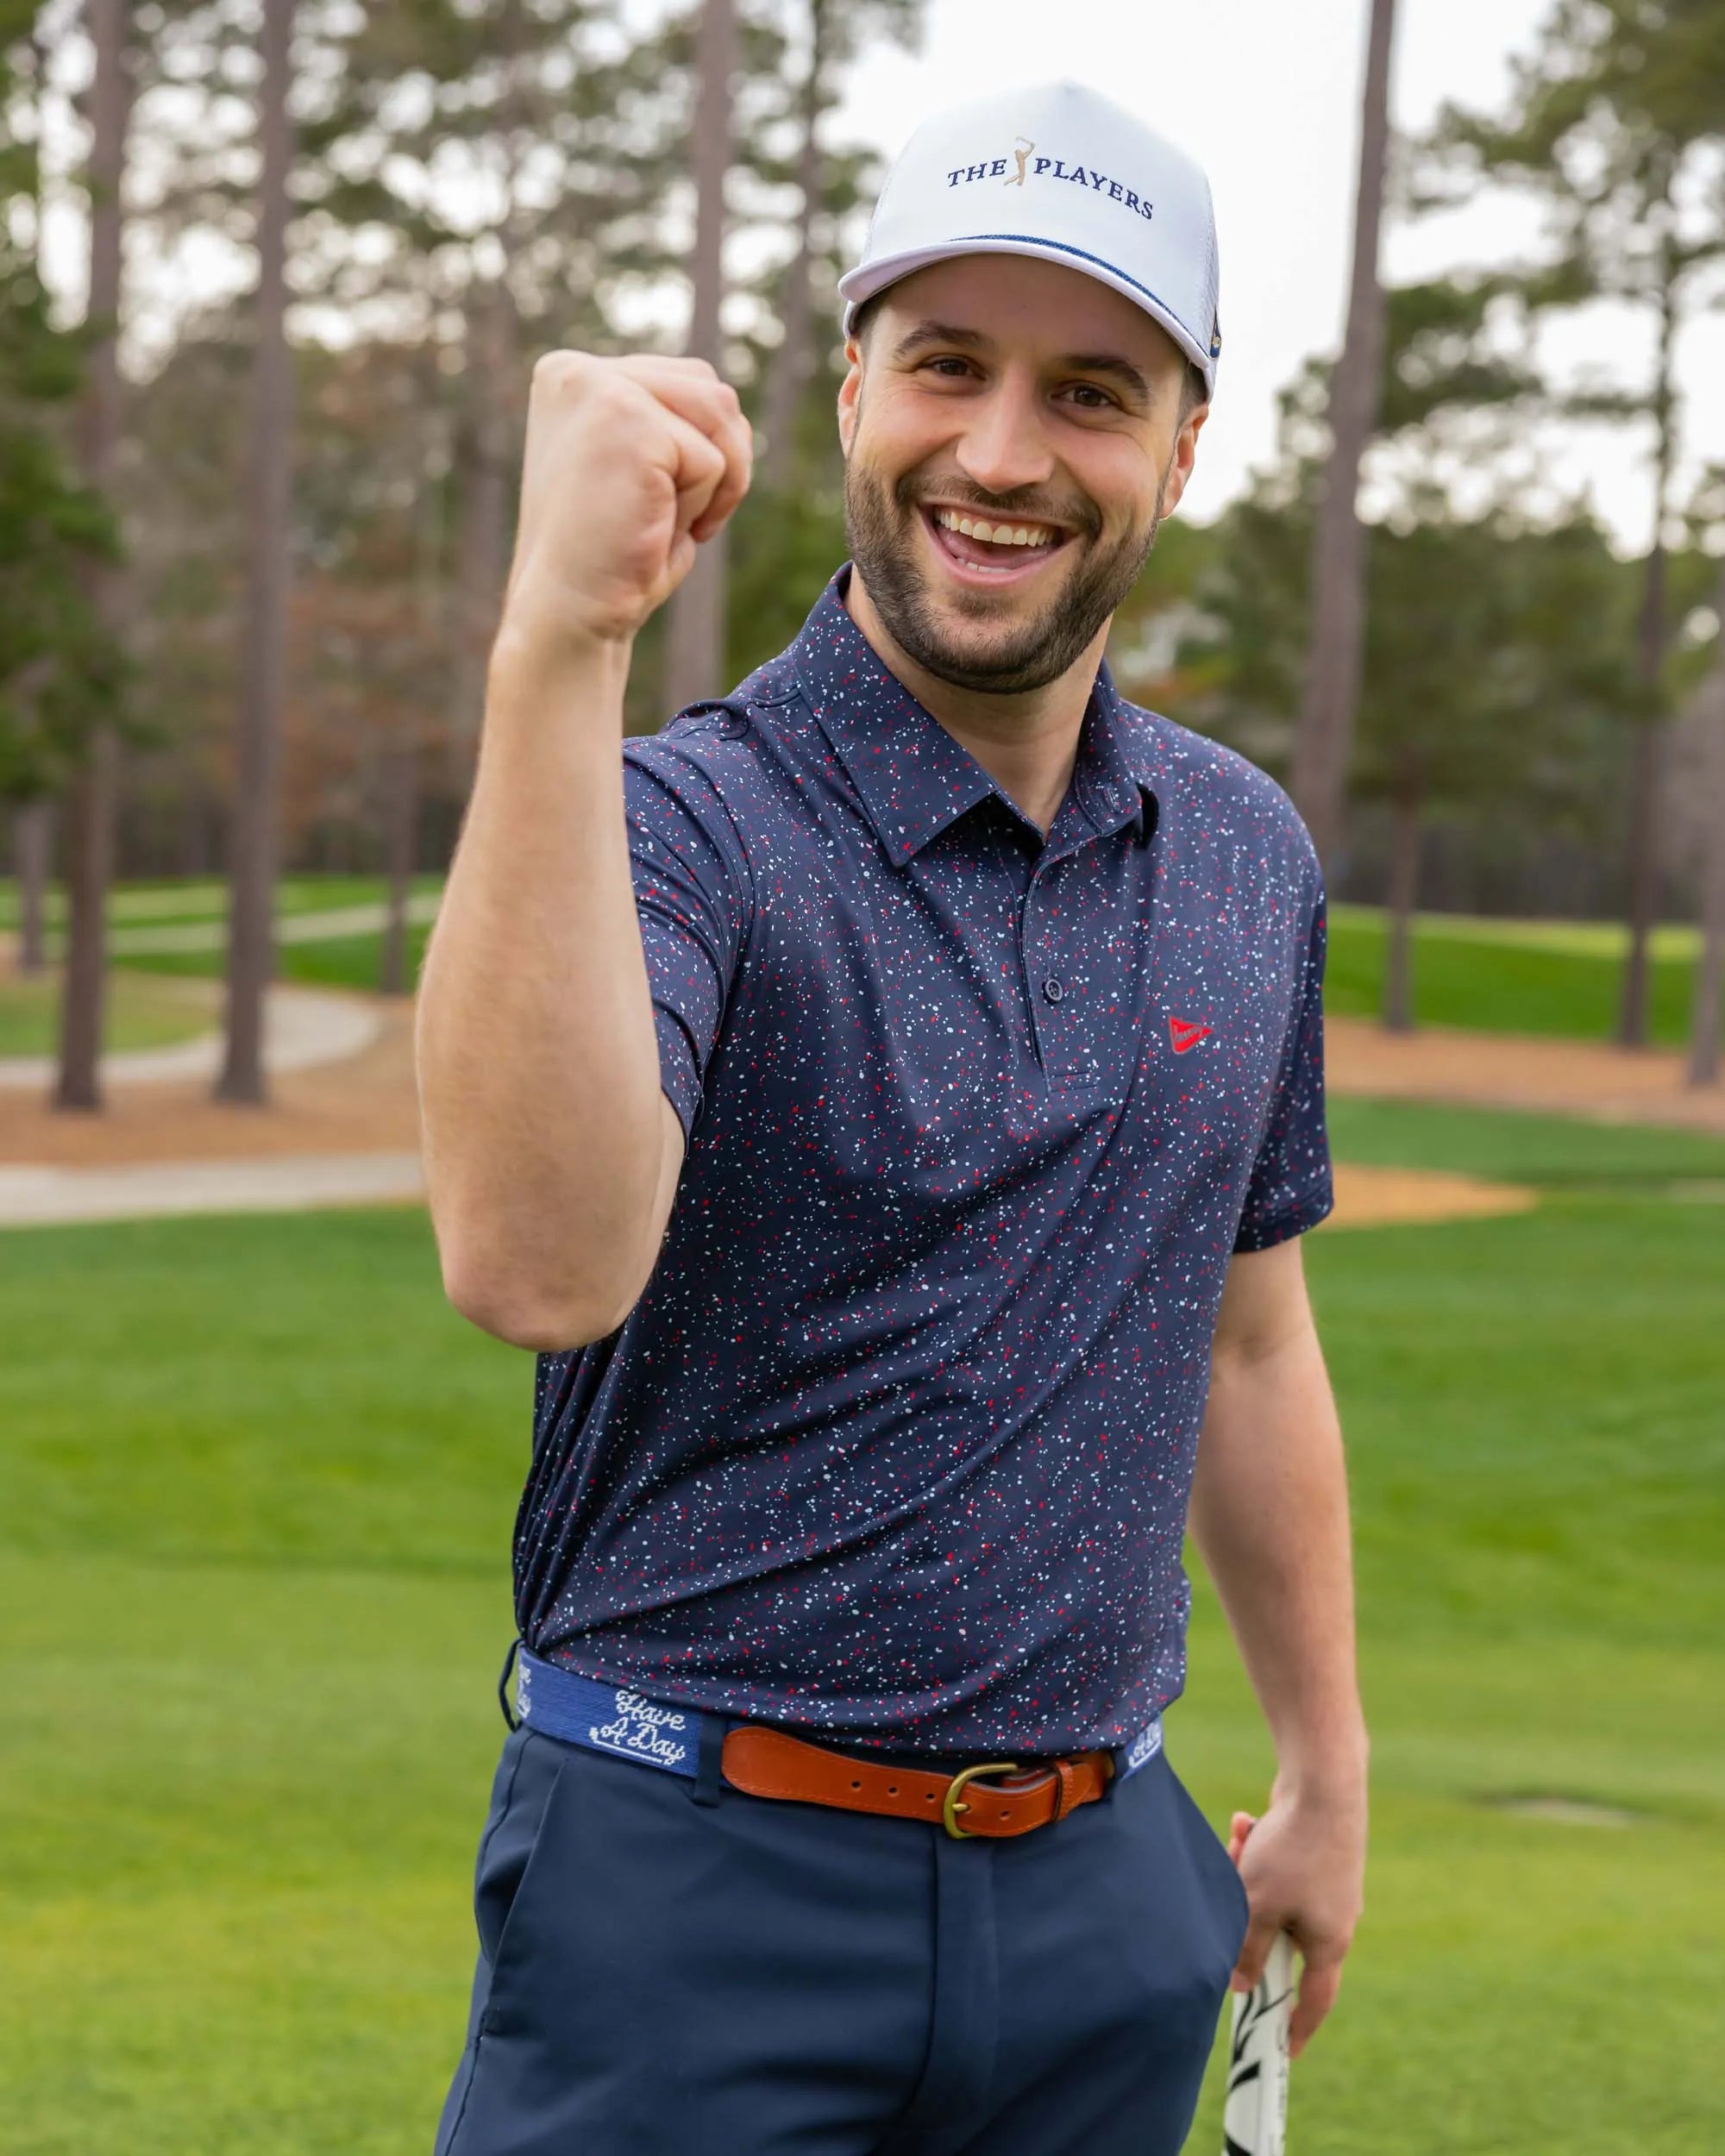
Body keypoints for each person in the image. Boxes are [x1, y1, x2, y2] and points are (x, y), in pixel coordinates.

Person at [417, 78, 1367, 2156]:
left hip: (1111, 1894)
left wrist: (1322, 1764)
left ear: (1185, 447)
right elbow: (533, 1262)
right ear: (852, 390)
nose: (1004, 455)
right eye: (948, 366)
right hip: (690, 1885)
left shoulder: (1238, 847)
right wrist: (556, 646)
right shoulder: (676, 825)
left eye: (1092, 391)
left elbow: (1247, 1328)